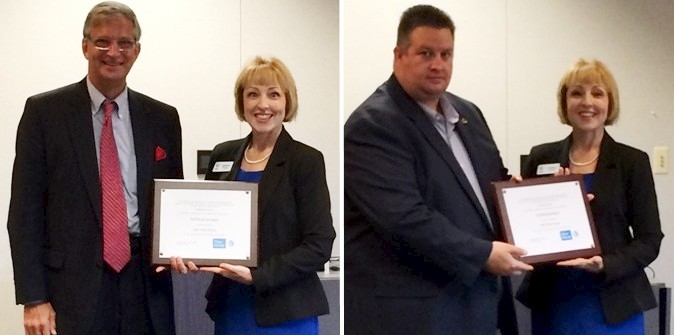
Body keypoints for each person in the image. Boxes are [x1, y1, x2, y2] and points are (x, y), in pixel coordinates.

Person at [344, 4, 533, 335]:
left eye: (446, 54)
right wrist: (483, 254)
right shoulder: (373, 125)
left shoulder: (468, 113)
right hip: (413, 315)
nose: (438, 65)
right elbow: (403, 218)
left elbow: (492, 185)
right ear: (398, 55)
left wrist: (536, 197)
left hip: (477, 306)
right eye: (426, 53)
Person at [7, 2, 183, 334]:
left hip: (145, 286)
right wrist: (34, 298)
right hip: (71, 288)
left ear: (137, 50)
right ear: (85, 46)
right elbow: (24, 214)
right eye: (102, 41)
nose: (113, 52)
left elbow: (171, 206)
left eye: (124, 43)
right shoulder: (44, 113)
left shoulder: (163, 119)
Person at [172, 56, 335, 334]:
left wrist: (257, 276)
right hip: (231, 307)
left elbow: (319, 245)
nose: (263, 105)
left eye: (273, 94)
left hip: (285, 312)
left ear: (287, 101)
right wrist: (186, 253)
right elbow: (208, 225)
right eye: (252, 94)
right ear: (242, 103)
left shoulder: (305, 160)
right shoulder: (223, 154)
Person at [516, 59, 664, 335]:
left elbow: (650, 240)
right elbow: (526, 233)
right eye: (576, 93)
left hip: (613, 303)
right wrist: (514, 204)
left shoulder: (631, 162)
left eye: (597, 93)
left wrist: (605, 264)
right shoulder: (540, 158)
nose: (587, 102)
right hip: (554, 301)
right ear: (564, 103)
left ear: (610, 102)